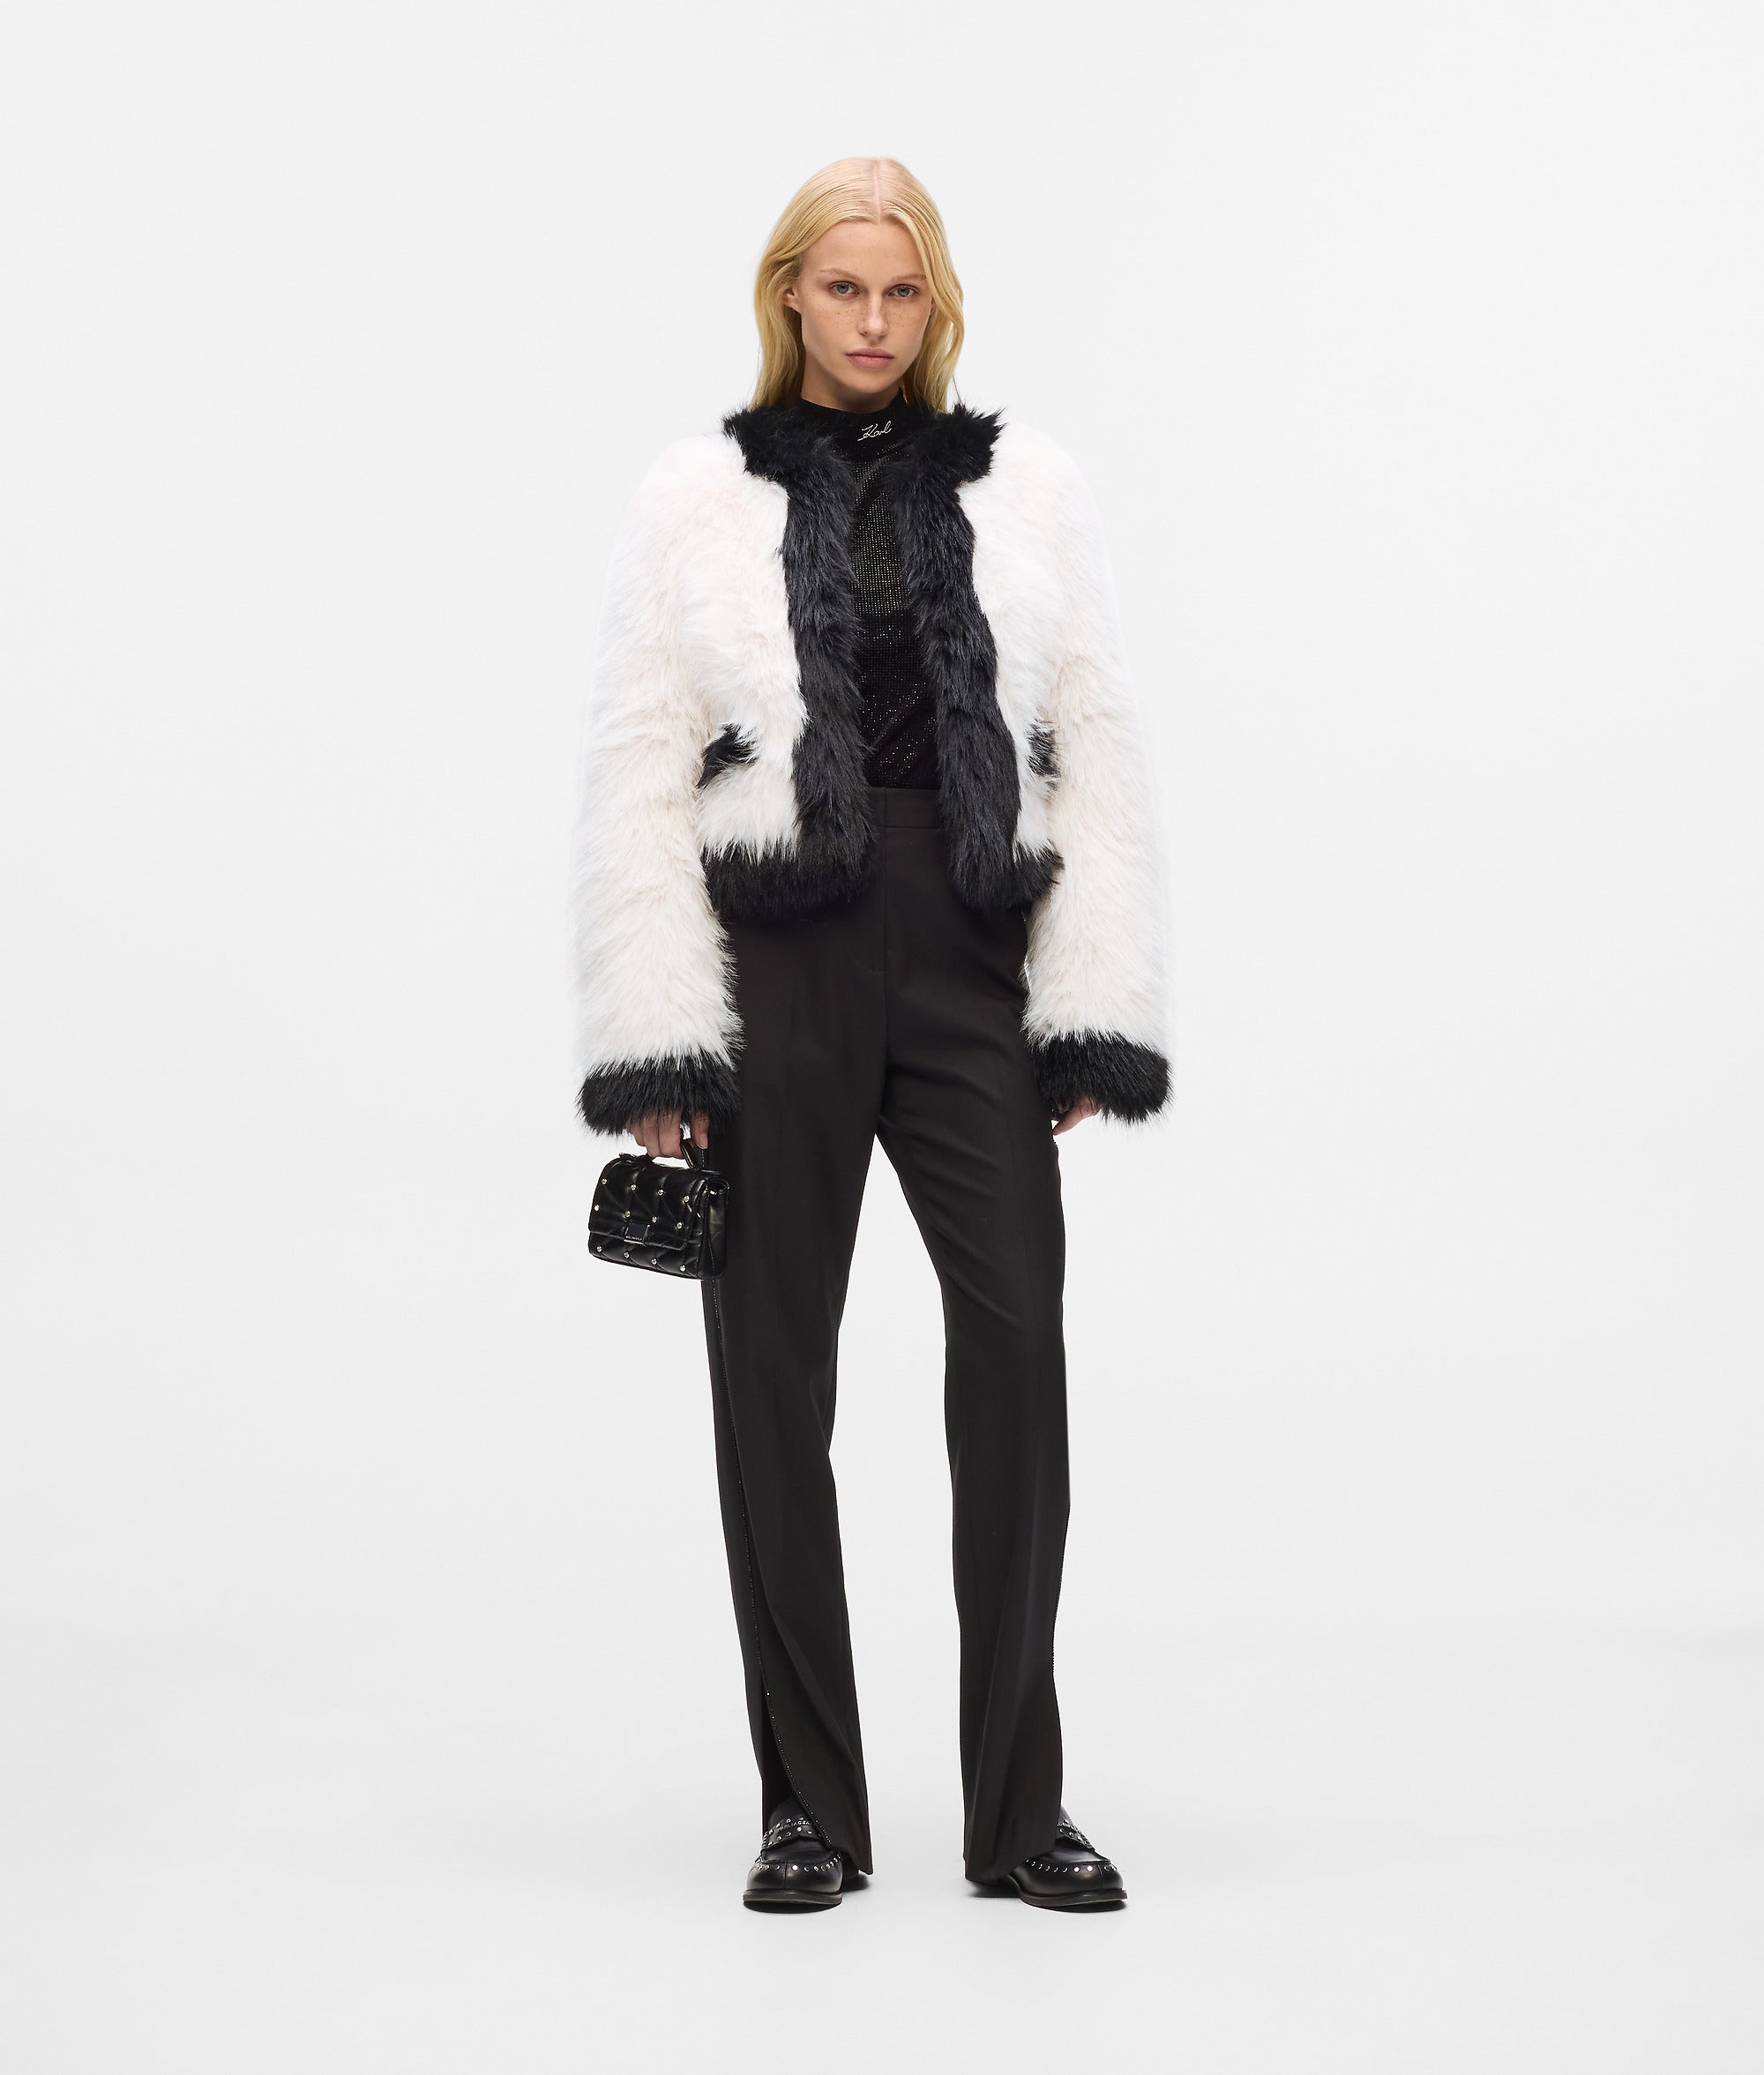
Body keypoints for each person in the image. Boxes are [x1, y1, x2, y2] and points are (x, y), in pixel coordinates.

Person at [566, 157, 1170, 1911]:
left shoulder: (1029, 489)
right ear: (790, 295)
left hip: (971, 953)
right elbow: (638, 764)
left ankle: (1020, 1809)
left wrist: (1085, 1002)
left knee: (1018, 1348)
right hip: (779, 958)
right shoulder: (697, 498)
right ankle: (809, 1810)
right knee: (773, 1377)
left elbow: (1090, 739)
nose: (874, 321)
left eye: (902, 291)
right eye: (843, 288)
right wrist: (661, 1044)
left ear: (936, 301)